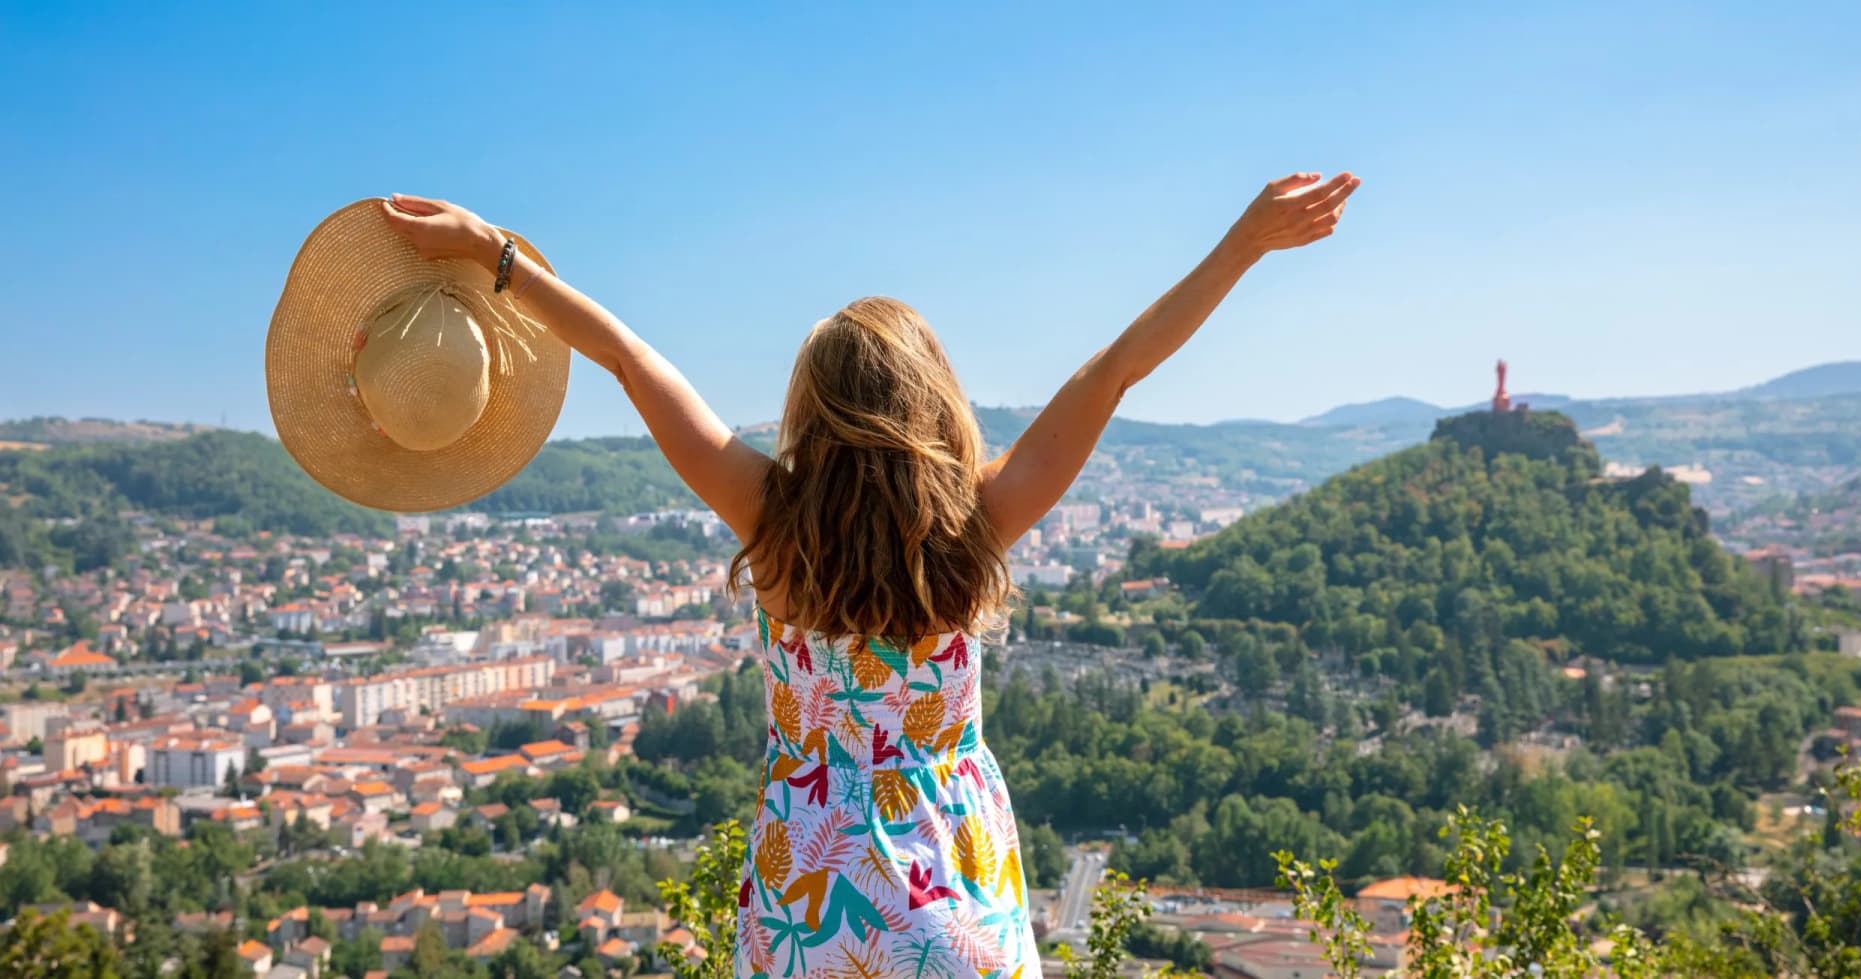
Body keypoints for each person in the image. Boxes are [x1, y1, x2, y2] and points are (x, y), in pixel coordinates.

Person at [381, 168, 1359, 978]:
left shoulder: (770, 519)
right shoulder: (979, 522)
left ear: (809, 405)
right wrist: (1241, 244)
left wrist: (490, 253)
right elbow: (1113, 371)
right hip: (956, 908)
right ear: (936, 401)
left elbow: (632, 361)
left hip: (810, 908)